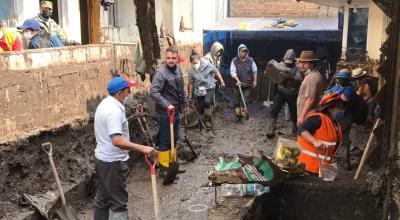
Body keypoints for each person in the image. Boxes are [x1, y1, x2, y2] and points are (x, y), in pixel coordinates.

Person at [94, 76, 157, 220]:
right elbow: (116, 140)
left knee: (102, 200)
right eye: (128, 89)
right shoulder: (114, 112)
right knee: (118, 204)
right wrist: (143, 148)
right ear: (120, 93)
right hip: (112, 163)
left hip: (102, 160)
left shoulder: (105, 104)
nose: (130, 92)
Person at [150, 46, 188, 178]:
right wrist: (167, 105)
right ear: (165, 58)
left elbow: (181, 88)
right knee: (165, 140)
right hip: (165, 113)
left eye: (173, 58)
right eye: (168, 58)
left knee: (175, 138)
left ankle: (173, 165)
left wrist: (184, 103)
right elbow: (154, 92)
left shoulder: (178, 69)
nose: (171, 60)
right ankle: (164, 169)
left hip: (176, 111)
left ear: (177, 58)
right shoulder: (160, 73)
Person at [297, 91, 343, 174]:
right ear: (330, 108)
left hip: (320, 168)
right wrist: (315, 141)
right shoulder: (318, 118)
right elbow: (301, 129)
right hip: (306, 167)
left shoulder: (334, 123)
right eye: (338, 108)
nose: (341, 111)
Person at [266, 49, 303, 138]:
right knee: (274, 110)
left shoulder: (297, 67)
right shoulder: (280, 65)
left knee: (294, 113)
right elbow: (273, 75)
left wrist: (291, 77)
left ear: (294, 60)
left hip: (292, 94)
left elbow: (300, 79)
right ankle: (271, 129)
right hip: (281, 92)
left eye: (290, 62)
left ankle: (295, 131)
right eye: (287, 62)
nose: (288, 63)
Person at [187, 51, 225, 128]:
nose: (195, 65)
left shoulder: (207, 65)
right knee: (200, 106)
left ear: (200, 60)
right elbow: (191, 83)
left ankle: (208, 120)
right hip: (198, 88)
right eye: (193, 64)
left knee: (207, 101)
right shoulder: (191, 69)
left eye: (196, 63)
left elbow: (216, 71)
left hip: (209, 87)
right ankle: (200, 122)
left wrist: (222, 81)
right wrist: (190, 95)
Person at [296, 50, 324, 128]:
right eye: (300, 62)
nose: (301, 65)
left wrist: (301, 117)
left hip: (309, 116)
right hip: (312, 115)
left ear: (312, 64)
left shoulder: (311, 77)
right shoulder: (316, 74)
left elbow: (310, 99)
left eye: (305, 63)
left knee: (304, 137)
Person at [230, 44, 258, 122]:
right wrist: (237, 80)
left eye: (245, 51)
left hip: (247, 84)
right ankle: (238, 115)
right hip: (237, 85)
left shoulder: (251, 60)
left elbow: (254, 70)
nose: (244, 53)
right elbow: (232, 72)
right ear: (239, 52)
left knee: (244, 100)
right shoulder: (234, 61)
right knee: (236, 101)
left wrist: (255, 80)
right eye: (242, 51)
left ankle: (244, 116)